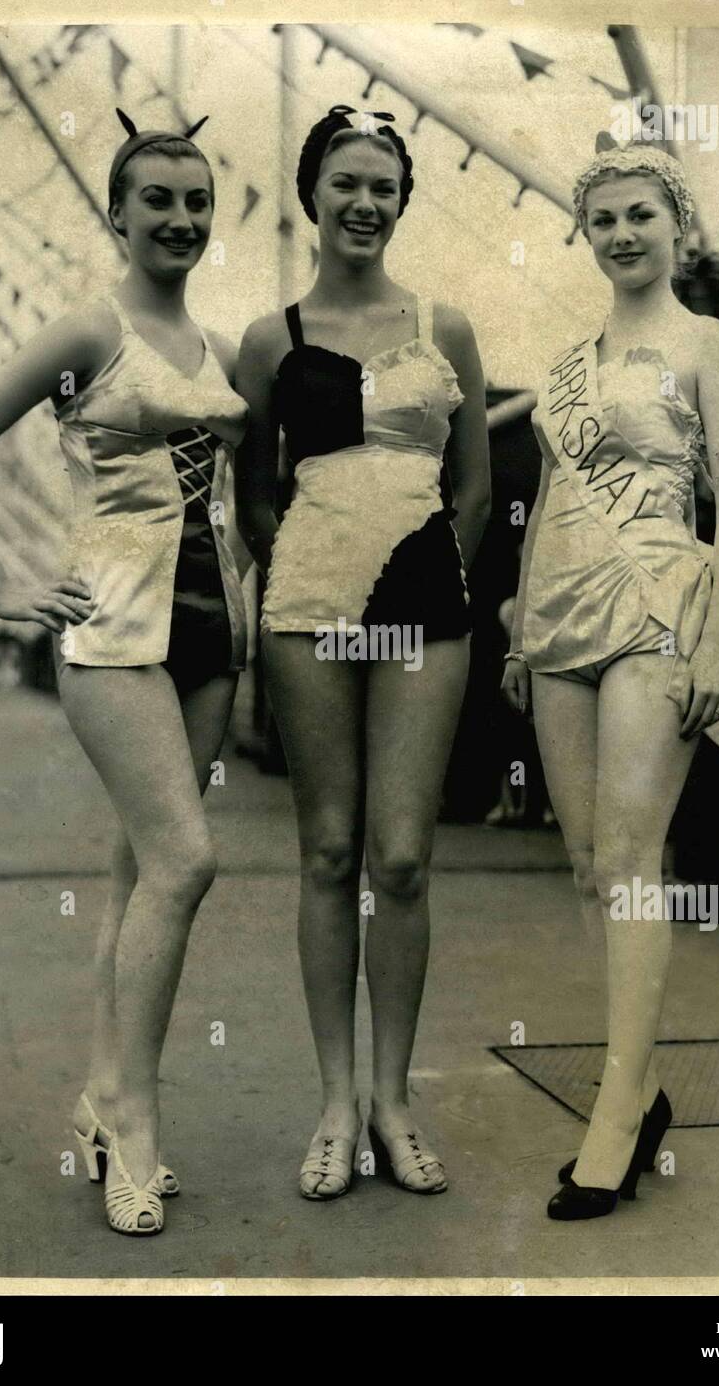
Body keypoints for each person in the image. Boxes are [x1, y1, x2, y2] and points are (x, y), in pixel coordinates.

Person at [0, 109, 250, 1236]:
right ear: (117, 213)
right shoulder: (85, 328)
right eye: (157, 199)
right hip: (111, 627)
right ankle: (137, 1124)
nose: (180, 218)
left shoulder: (214, 350)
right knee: (184, 859)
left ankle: (101, 1096)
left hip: (214, 630)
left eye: (197, 200)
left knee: (137, 877)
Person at [502, 144, 719, 1220]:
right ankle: (643, 1084)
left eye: (638, 215)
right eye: (602, 218)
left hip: (658, 604)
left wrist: (712, 641)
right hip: (559, 613)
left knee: (628, 855)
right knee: (583, 865)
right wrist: (522, 635)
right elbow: (545, 502)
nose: (620, 233)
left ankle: (613, 1114)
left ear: (675, 224)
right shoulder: (567, 357)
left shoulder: (707, 342)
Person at [235, 105, 490, 1199]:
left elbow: (475, 481)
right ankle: (335, 1100)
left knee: (401, 857)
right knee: (329, 851)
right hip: (309, 608)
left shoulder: (447, 327)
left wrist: (435, 566)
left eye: (381, 183)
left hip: (424, 608)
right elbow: (249, 488)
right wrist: (304, 567)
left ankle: (394, 1098)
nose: (363, 201)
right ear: (311, 192)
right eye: (344, 180)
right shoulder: (270, 335)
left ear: (400, 197)